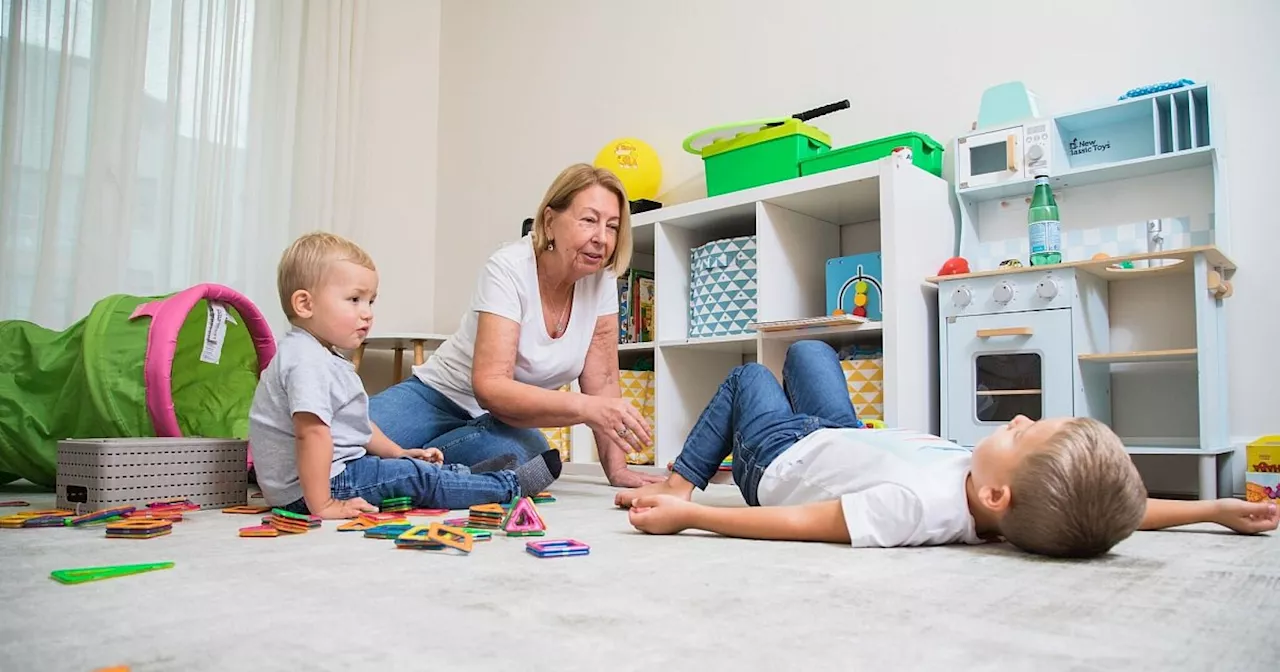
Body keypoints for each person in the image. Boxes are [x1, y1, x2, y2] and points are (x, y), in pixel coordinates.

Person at [615, 341, 1280, 558]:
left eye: (1024, 432)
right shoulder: (1010, 493)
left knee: (749, 377)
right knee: (812, 351)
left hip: (780, 461)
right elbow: (1112, 508)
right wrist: (1209, 509)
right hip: (839, 433)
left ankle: (677, 480)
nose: (1017, 418)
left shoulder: (918, 507)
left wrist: (692, 515)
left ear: (997, 496)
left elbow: (799, 523)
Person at [369, 164, 663, 488]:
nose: (601, 238)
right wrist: (585, 408)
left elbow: (603, 381)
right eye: (589, 220)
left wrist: (617, 470)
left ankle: (404, 466)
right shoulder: (508, 268)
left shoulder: (602, 282)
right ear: (550, 222)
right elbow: (491, 387)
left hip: (499, 423)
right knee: (333, 444)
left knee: (532, 459)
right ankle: (411, 469)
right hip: (436, 398)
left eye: (612, 227)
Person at [247, 232, 563, 519]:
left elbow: (359, 426)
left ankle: (463, 478)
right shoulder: (305, 361)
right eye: (354, 300)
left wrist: (398, 452)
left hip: (333, 475)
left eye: (371, 301)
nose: (367, 312)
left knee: (408, 466)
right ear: (305, 304)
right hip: (312, 491)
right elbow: (311, 435)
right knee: (415, 478)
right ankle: (505, 486)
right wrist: (323, 505)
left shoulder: (321, 356)